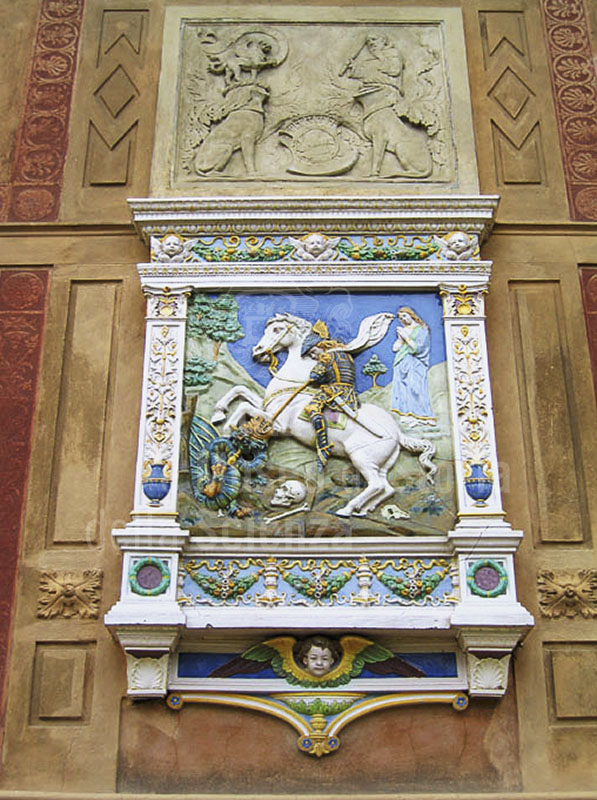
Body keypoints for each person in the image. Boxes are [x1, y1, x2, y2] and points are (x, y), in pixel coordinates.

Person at [301, 329, 359, 471]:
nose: (314, 356)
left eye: (313, 352)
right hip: (349, 393)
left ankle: (323, 446)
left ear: (322, 345)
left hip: (335, 391)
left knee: (312, 408)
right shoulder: (345, 354)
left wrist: (314, 375)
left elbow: (315, 376)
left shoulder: (327, 356)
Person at [391, 306, 436, 427]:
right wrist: (400, 338)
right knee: (403, 389)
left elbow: (418, 348)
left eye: (405, 316)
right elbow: (395, 348)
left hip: (416, 363)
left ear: (411, 315)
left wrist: (406, 337)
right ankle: (408, 415)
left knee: (415, 388)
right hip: (401, 361)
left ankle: (423, 416)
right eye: (400, 318)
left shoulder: (421, 329)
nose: (403, 320)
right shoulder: (404, 329)